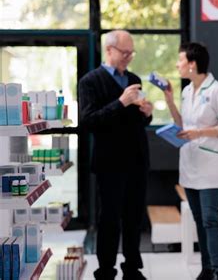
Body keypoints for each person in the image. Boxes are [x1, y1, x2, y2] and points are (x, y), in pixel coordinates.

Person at [79, 30, 153, 280]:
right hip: (110, 163)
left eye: (132, 53)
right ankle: (106, 270)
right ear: (109, 50)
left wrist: (146, 113)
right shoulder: (90, 81)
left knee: (134, 218)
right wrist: (120, 102)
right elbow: (88, 121)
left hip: (137, 161)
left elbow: (137, 123)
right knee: (109, 219)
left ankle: (132, 268)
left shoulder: (133, 78)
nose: (129, 57)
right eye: (125, 52)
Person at [161, 42, 218, 280]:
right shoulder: (187, 91)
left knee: (210, 219)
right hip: (190, 164)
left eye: (180, 60)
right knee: (198, 219)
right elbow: (183, 125)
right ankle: (206, 269)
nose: (177, 64)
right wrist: (170, 99)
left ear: (192, 64)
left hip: (210, 167)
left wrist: (199, 133)